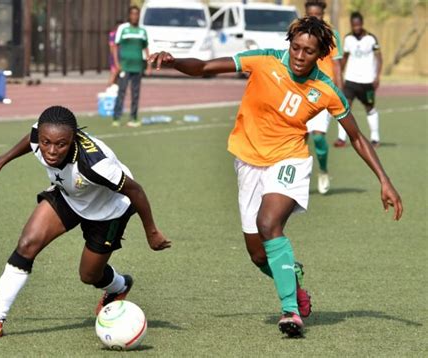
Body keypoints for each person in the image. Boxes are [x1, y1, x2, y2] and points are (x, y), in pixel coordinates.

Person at [148, 16, 403, 338]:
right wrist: (173, 61)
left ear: (320, 54)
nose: (299, 56)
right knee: (257, 253)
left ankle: (290, 312)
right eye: (296, 47)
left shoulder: (325, 90)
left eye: (308, 51)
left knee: (269, 224)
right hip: (247, 160)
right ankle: (292, 281)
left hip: (289, 160)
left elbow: (356, 136)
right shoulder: (265, 60)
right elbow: (204, 67)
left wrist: (384, 179)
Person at [0, 106, 171, 340]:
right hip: (68, 196)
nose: (51, 151)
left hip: (108, 211)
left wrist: (151, 232)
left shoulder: (96, 165)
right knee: (26, 245)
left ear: (73, 139)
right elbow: (31, 138)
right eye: (45, 142)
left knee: (89, 276)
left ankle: (119, 286)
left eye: (60, 144)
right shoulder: (40, 135)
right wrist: (1, 161)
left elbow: (135, 190)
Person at [304, 0, 344, 194]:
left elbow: (337, 65)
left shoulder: (331, 35)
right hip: (301, 91)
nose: (314, 18)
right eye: (310, 15)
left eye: (317, 15)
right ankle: (298, 177)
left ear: (322, 15)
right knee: (298, 138)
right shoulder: (299, 34)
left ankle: (323, 170)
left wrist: (339, 92)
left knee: (318, 137)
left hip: (323, 92)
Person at [334, 12, 383, 148]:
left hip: (367, 81)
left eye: (358, 24)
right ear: (351, 24)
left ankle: (375, 138)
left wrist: (377, 76)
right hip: (351, 80)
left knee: (370, 107)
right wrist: (340, 74)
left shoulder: (371, 38)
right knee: (345, 107)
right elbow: (345, 57)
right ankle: (341, 138)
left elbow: (379, 58)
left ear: (362, 24)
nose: (356, 27)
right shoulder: (348, 39)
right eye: (354, 25)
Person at [112, 6, 152, 128]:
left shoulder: (142, 31)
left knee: (135, 94)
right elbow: (115, 46)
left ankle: (133, 118)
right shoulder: (123, 29)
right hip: (125, 67)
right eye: (133, 14)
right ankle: (116, 117)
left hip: (138, 67)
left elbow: (146, 48)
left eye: (137, 14)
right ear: (129, 15)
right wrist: (117, 63)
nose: (135, 16)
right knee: (121, 92)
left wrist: (149, 65)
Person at [107, 20, 123, 89]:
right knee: (114, 74)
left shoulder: (122, 35)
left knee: (118, 76)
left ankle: (115, 90)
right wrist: (114, 58)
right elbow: (111, 48)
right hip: (114, 58)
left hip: (121, 57)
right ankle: (109, 88)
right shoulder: (113, 34)